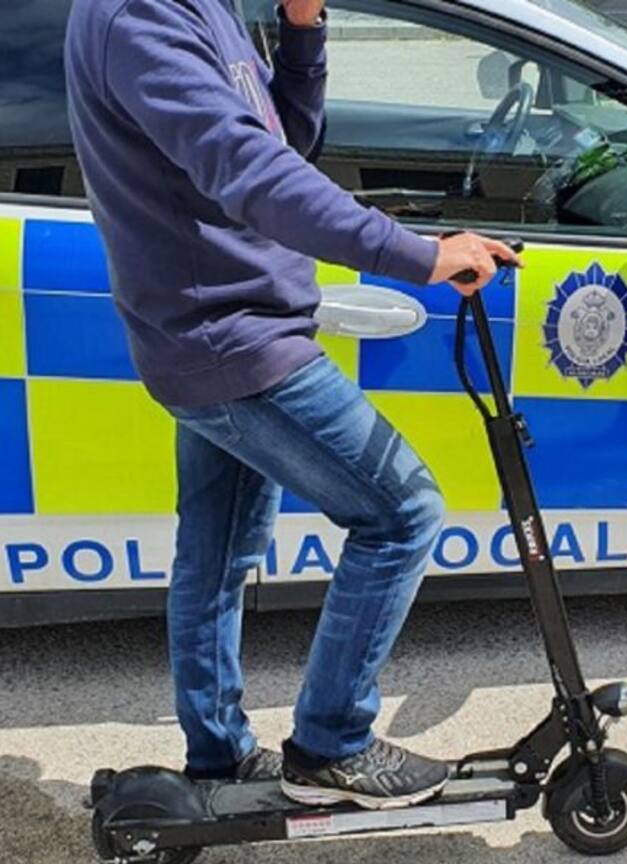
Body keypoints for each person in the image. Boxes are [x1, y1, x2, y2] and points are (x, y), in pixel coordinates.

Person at [64, 0, 519, 809]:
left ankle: (218, 756)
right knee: (401, 512)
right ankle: (332, 744)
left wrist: (302, 30)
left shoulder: (207, 8)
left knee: (217, 556)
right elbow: (249, 171)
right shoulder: (141, 15)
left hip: (225, 328)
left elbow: (285, 145)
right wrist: (416, 255)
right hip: (231, 339)